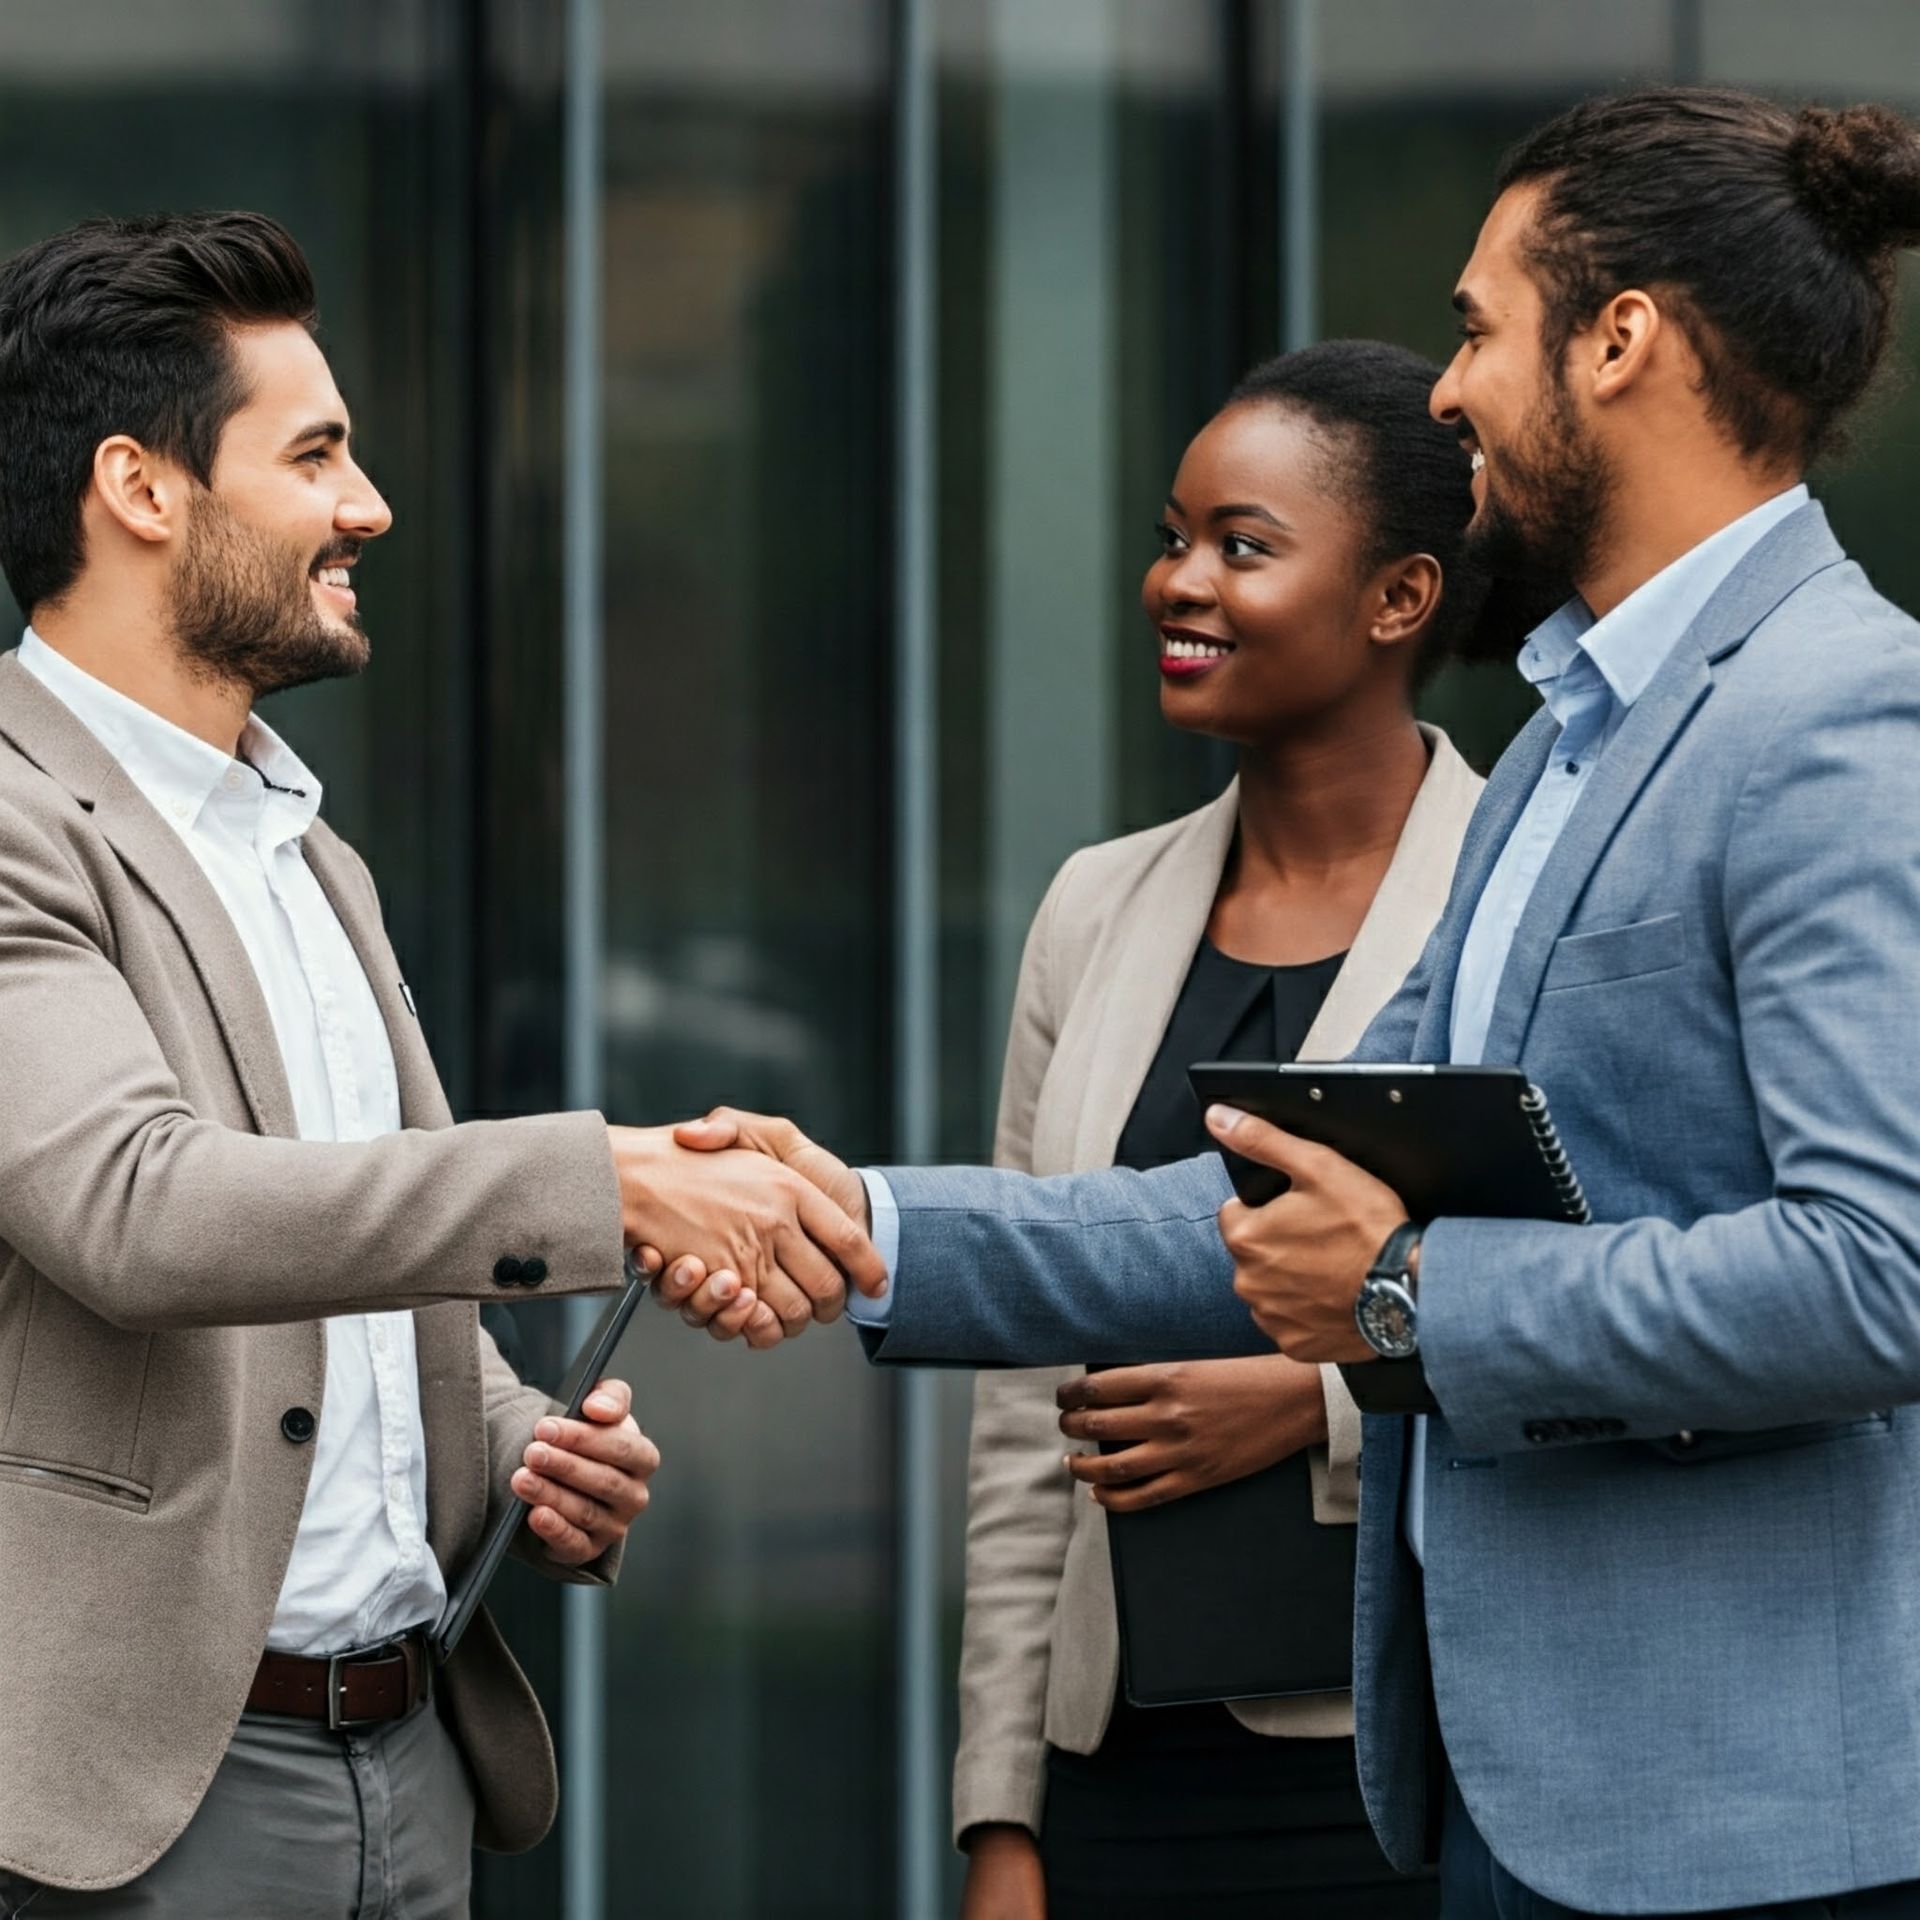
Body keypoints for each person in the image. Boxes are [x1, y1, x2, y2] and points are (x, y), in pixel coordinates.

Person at [668, 89, 1920, 1917]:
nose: (1451, 387)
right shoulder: (1577, 744)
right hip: (1518, 1817)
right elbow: (1274, 1182)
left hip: (1741, 1837)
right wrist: (859, 1220)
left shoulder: (1833, 714)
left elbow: (1879, 1271)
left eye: (1484, 326)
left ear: (1625, 340)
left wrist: (1408, 1297)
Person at [0, 212, 881, 1919]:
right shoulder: (17, 825)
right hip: (137, 1810)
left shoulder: (308, 850)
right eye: (317, 452)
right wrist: (606, 1180)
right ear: (141, 486)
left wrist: (513, 1436)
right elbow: (138, 1210)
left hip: (414, 1767)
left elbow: (357, 1283)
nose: (369, 506)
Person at [956, 341, 1491, 1920]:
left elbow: (1608, 1301)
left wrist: (1315, 1402)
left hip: (1409, 1768)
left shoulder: (1523, 898)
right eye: (1172, 535)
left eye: (1241, 548)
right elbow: (1019, 1396)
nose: (1178, 582)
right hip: (1118, 1767)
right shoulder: (1093, 906)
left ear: (1398, 599)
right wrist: (1005, 1813)